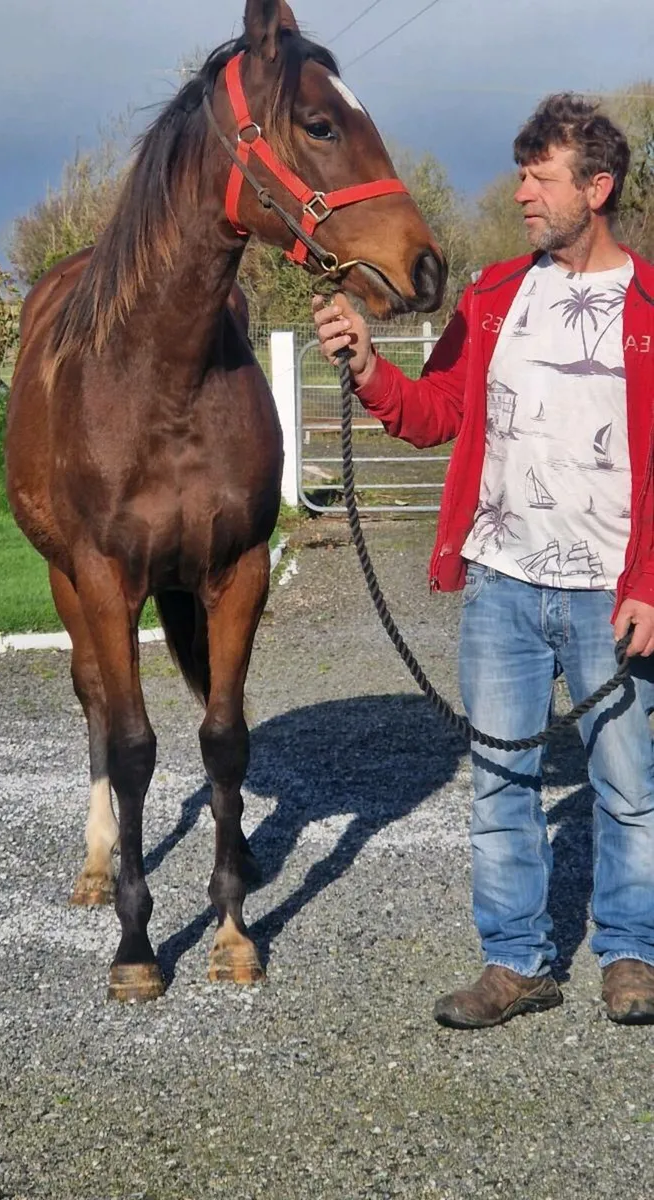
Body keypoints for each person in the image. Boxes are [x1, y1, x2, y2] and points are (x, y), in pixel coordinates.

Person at [312, 93, 654, 1029]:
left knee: (628, 785)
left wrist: (651, 588)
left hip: (606, 596)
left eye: (540, 178)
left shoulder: (652, 307)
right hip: (502, 585)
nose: (521, 194)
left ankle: (631, 954)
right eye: (521, 174)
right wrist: (369, 368)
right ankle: (517, 963)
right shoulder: (493, 297)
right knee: (500, 782)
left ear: (599, 185)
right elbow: (437, 414)